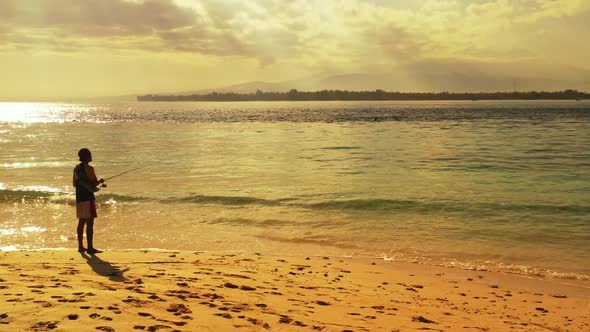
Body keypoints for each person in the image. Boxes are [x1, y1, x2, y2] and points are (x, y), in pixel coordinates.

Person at [73, 148, 104, 254]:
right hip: (88, 198)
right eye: (90, 155)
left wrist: (95, 184)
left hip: (79, 198)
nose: (91, 156)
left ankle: (80, 247)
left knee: (81, 222)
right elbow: (93, 184)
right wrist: (99, 182)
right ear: (86, 157)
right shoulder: (90, 168)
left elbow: (75, 183)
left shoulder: (76, 168)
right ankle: (90, 248)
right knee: (90, 223)